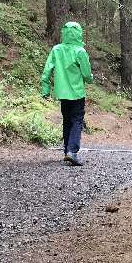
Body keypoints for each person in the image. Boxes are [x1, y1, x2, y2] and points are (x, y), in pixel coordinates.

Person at [40, 21, 94, 166]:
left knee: (67, 120)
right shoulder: (80, 52)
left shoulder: (56, 50)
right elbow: (87, 74)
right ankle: (72, 151)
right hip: (77, 93)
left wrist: (45, 89)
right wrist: (90, 79)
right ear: (79, 34)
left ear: (63, 33)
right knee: (77, 120)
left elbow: (46, 71)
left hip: (62, 93)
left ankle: (66, 151)